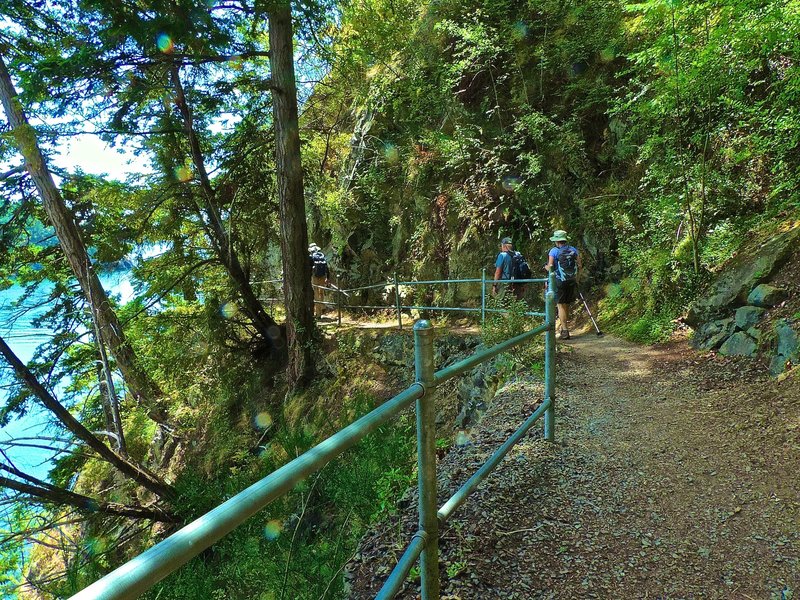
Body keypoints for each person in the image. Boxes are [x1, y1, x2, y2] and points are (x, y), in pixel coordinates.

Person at [545, 230, 580, 339]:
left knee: (560, 305)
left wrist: (545, 267)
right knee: (566, 304)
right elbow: (579, 265)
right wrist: (576, 278)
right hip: (571, 280)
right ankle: (565, 327)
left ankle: (565, 330)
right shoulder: (573, 250)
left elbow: (550, 267)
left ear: (556, 241)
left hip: (559, 281)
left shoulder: (554, 251)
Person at [492, 237, 525, 301]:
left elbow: (498, 272)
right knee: (515, 303)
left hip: (505, 283)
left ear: (503, 246)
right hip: (517, 283)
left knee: (501, 303)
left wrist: (494, 285)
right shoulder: (517, 254)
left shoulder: (502, 255)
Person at [308, 243, 330, 317]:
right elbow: (327, 267)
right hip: (323, 276)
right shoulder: (322, 255)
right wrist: (328, 278)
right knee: (321, 293)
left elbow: (309, 268)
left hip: (315, 277)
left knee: (316, 294)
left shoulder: (311, 257)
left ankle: (318, 313)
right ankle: (322, 308)